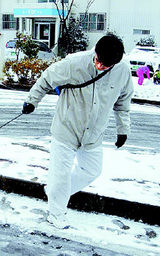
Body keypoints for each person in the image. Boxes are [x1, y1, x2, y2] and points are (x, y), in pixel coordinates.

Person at [22, 34, 134, 229]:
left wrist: (122, 129)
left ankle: (56, 192)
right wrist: (32, 101)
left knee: (92, 170)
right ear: (95, 52)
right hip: (66, 127)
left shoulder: (123, 71)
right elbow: (47, 78)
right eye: (98, 61)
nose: (100, 66)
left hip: (94, 134)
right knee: (61, 174)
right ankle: (56, 214)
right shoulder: (74, 63)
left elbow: (123, 102)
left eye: (106, 66)